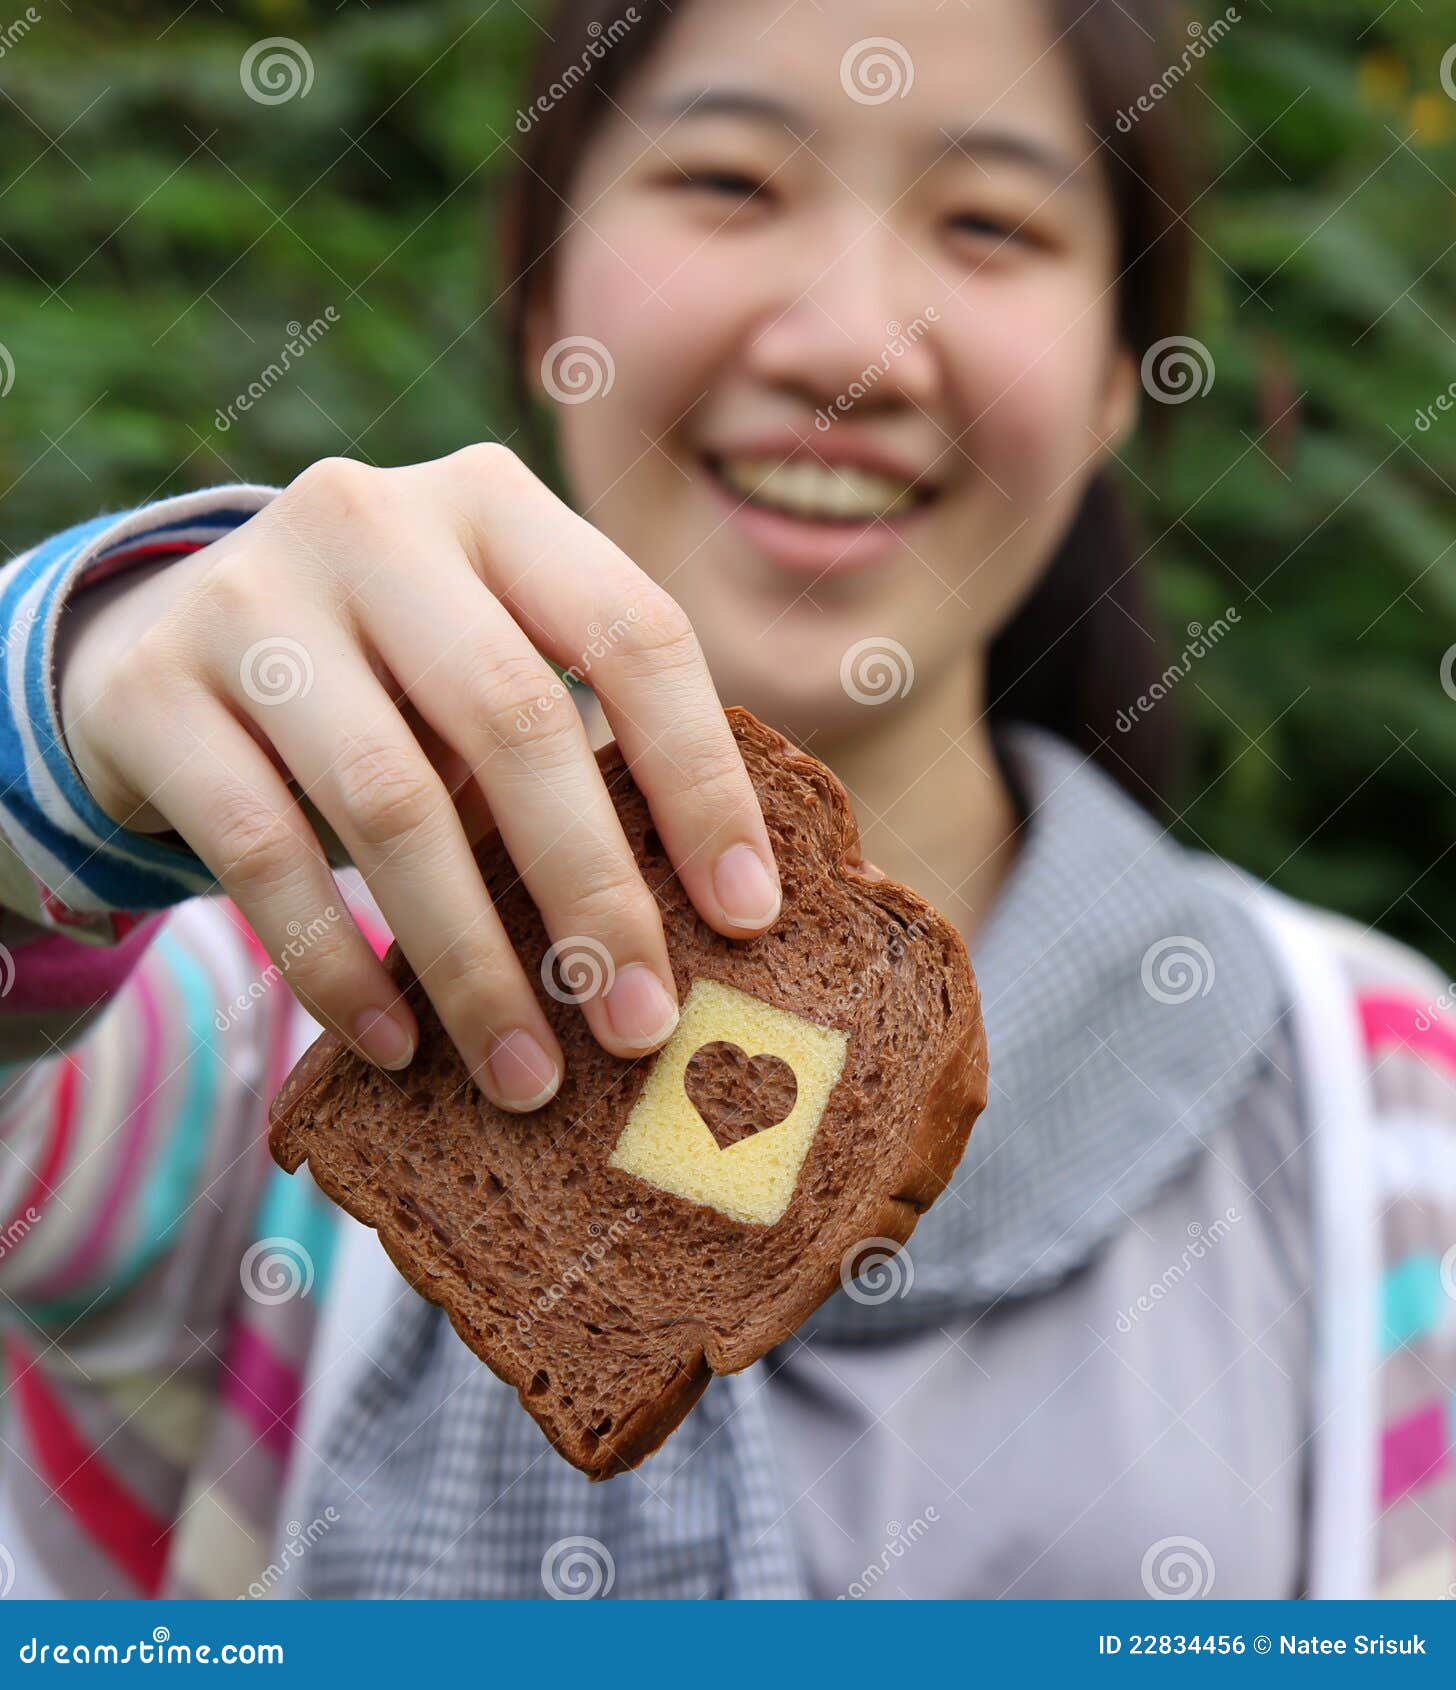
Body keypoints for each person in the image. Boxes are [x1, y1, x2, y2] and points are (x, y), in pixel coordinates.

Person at [1, 0, 1452, 1601]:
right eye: (730, 184)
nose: (848, 347)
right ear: (546, 290)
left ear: (1121, 370)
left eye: (990, 220)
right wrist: (70, 713)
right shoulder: (240, 1018)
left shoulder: (1388, 1105)